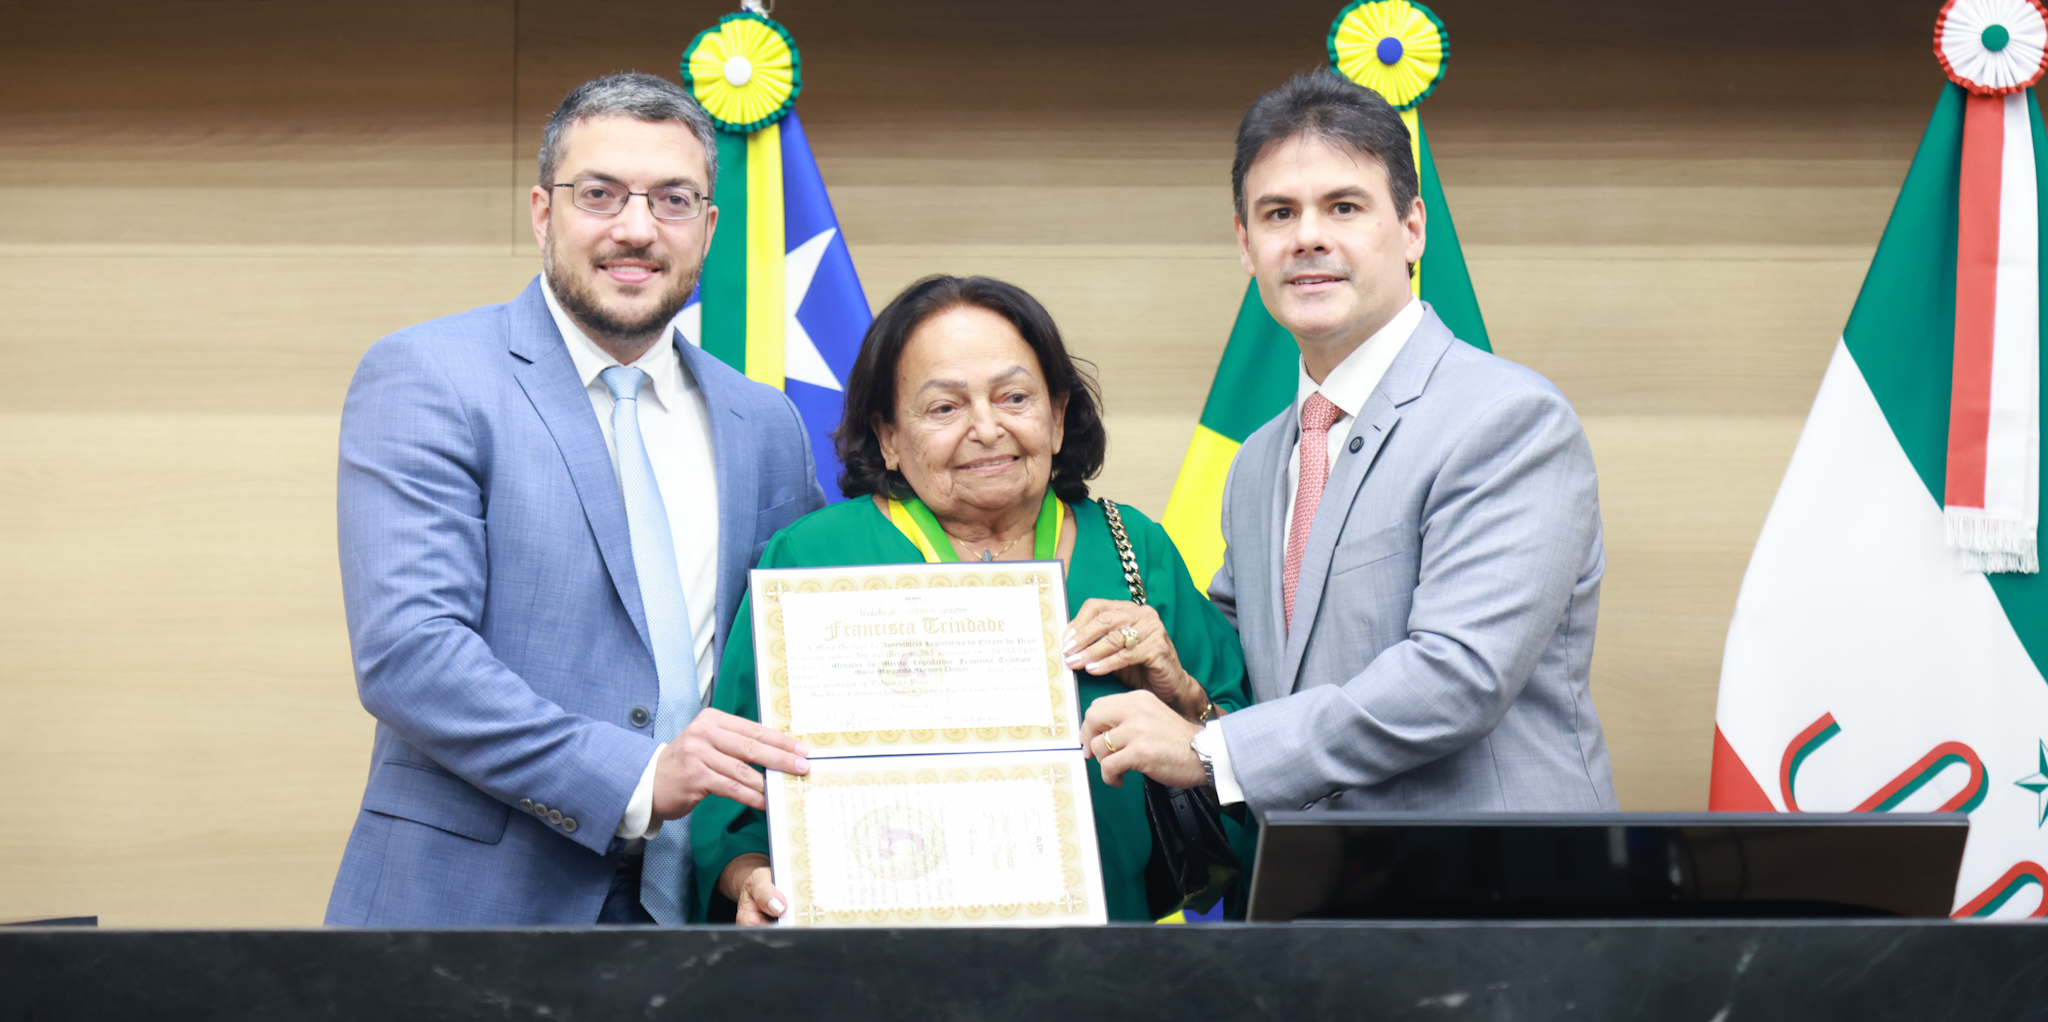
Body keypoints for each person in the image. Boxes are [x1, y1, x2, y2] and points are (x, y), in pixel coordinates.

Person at [326, 72, 825, 927]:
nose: (636, 228)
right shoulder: (430, 376)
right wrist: (636, 780)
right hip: (473, 910)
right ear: (541, 211)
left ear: (707, 230)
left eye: (672, 200)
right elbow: (410, 653)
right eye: (600, 194)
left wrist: (749, 860)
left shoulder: (764, 422)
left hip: (703, 913)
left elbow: (794, 658)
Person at [1081, 69, 1616, 816]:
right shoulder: (1260, 460)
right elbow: (1256, 671)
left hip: (1491, 897)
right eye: (1278, 214)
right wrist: (1174, 672)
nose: (1308, 237)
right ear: (1245, 245)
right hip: (1319, 897)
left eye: (1343, 207)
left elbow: (1458, 676)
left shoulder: (1507, 420)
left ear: (1411, 228)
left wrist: (1212, 753)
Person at [692, 275, 1258, 923]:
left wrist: (1183, 695)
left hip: (1105, 961)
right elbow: (730, 793)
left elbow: (1252, 758)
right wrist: (749, 881)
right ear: (888, 438)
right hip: (870, 965)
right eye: (944, 408)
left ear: (1058, 416)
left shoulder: (1135, 549)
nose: (986, 428)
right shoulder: (814, 557)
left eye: (1014, 397)